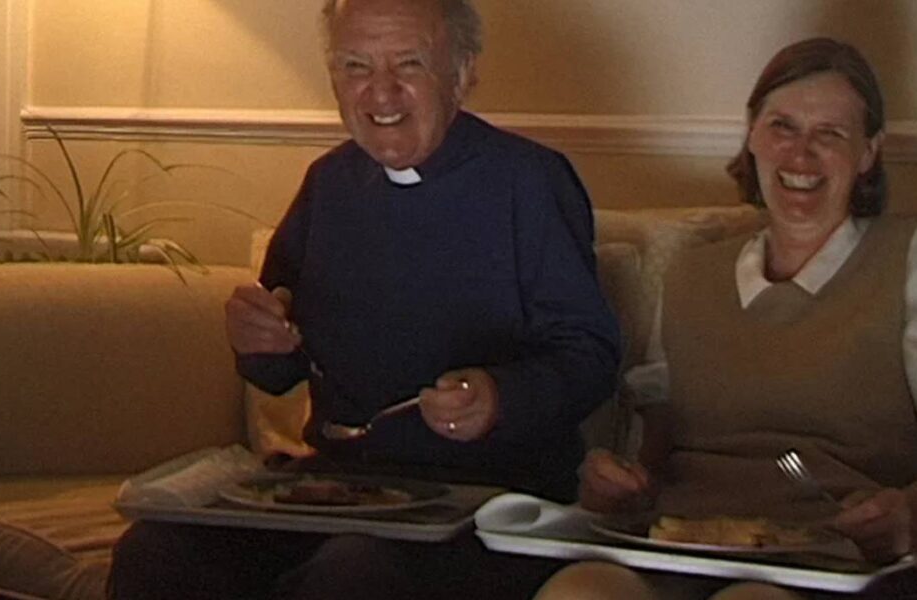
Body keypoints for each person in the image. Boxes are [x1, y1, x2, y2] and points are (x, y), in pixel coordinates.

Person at [108, 0, 620, 598]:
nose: (381, 93)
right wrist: (257, 340)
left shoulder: (529, 181)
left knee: (352, 575)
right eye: (356, 66)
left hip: (491, 499)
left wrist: (499, 397)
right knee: (155, 553)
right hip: (342, 487)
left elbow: (591, 354)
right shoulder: (329, 182)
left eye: (409, 64)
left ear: (462, 74)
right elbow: (281, 364)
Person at [534, 38, 917, 600]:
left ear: (869, 153)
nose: (801, 155)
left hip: (842, 556)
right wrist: (622, 486)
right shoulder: (691, 274)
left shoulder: (912, 252)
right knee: (579, 591)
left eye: (830, 134)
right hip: (689, 543)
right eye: (783, 127)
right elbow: (657, 448)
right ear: (752, 134)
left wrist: (912, 512)